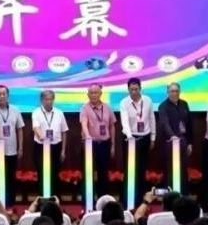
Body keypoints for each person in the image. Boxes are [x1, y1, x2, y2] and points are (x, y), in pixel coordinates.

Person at [118, 78, 156, 208]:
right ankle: (127, 202)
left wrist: (153, 137)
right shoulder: (124, 103)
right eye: (131, 90)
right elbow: (124, 121)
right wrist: (129, 137)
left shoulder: (148, 100)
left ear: (140, 88)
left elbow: (152, 118)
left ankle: (140, 201)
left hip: (145, 138)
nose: (133, 92)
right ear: (128, 89)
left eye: (136, 89)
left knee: (142, 170)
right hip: (130, 139)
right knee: (129, 170)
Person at [0, 85, 24, 207]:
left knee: (10, 178)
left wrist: (20, 147)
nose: (2, 96)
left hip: (11, 150)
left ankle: (9, 204)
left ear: (8, 95)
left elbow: (20, 129)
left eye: (4, 94)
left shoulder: (15, 110)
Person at [80, 83, 116, 199]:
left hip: (104, 144)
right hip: (90, 145)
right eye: (91, 93)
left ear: (100, 94)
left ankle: (102, 199)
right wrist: (88, 136)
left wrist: (113, 145)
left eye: (96, 93)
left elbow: (112, 126)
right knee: (88, 173)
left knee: (103, 173)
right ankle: (88, 200)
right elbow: (84, 124)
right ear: (88, 95)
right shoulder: (85, 108)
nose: (93, 95)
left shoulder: (107, 107)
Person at [31, 90, 68, 197]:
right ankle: (43, 198)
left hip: (56, 147)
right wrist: (43, 137)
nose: (49, 101)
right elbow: (36, 128)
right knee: (42, 173)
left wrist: (63, 150)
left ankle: (54, 198)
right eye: (46, 99)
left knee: (55, 173)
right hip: (41, 147)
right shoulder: (36, 112)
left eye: (51, 99)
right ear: (42, 100)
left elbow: (64, 132)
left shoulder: (59, 113)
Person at [158, 83, 193, 193]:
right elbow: (165, 124)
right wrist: (172, 136)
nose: (174, 93)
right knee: (170, 171)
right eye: (172, 91)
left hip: (183, 143)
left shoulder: (184, 104)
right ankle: (170, 196)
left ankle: (183, 196)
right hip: (169, 144)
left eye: (176, 91)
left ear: (180, 92)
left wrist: (190, 143)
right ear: (167, 93)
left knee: (183, 171)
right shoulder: (163, 106)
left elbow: (189, 124)